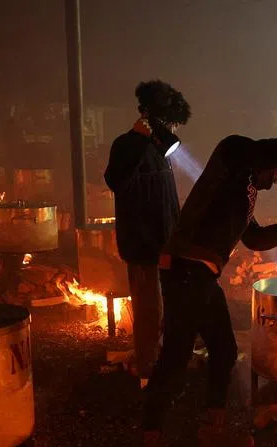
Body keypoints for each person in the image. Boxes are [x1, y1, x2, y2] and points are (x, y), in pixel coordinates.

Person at [140, 107, 277, 447]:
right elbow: (273, 153)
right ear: (266, 160)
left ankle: (213, 427)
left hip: (201, 276)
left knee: (223, 350)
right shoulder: (233, 154)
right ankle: (149, 441)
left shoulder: (244, 196)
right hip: (184, 269)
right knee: (174, 357)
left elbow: (254, 238)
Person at [103, 80, 190, 383]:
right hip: (142, 246)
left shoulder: (160, 151)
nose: (173, 130)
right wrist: (141, 140)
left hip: (166, 245)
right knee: (149, 313)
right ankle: (148, 374)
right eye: (170, 123)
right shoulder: (127, 145)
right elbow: (116, 180)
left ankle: (162, 362)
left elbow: (167, 199)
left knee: (167, 309)